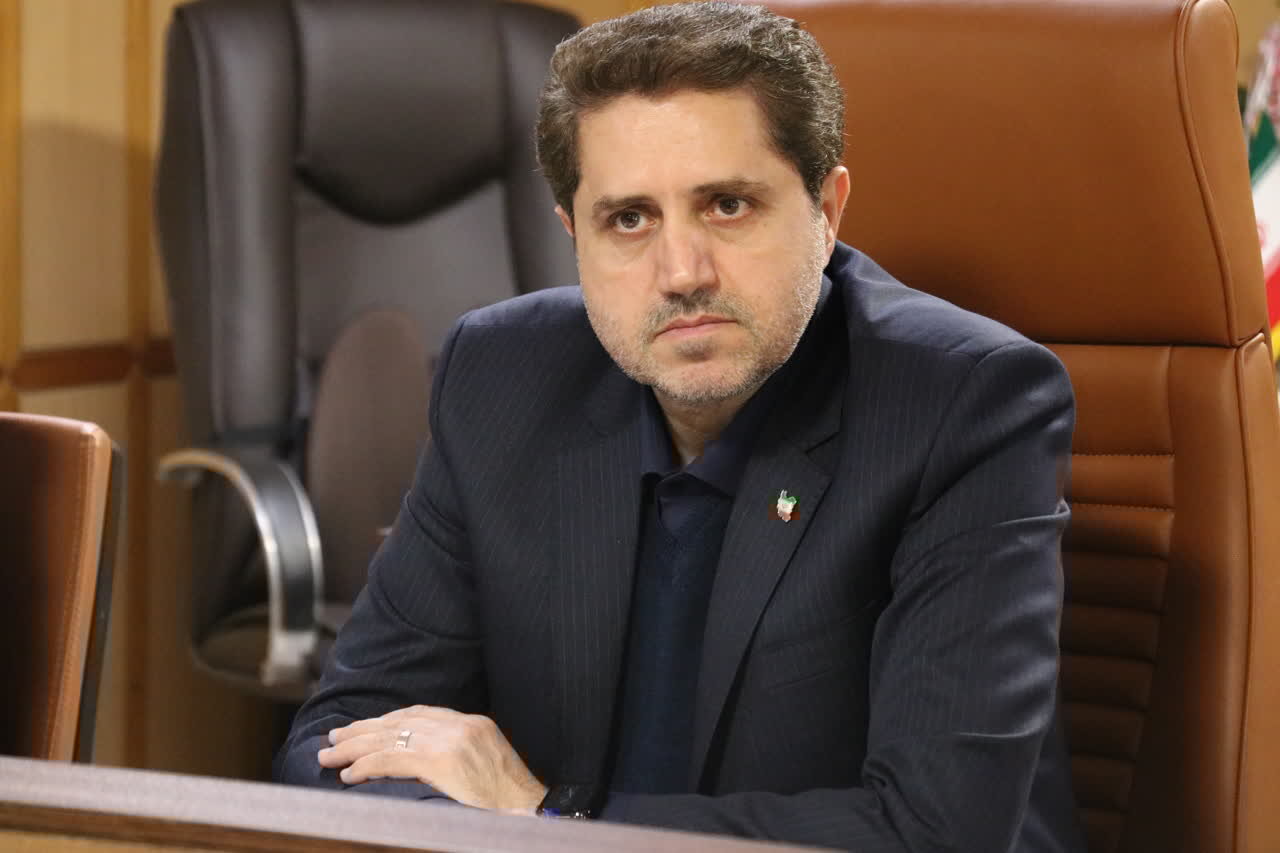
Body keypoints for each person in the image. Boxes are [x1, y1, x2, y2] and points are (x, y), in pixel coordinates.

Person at [275, 3, 1086, 850]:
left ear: (827, 210)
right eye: (629, 219)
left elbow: (933, 832)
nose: (682, 273)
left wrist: (547, 819)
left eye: (727, 205)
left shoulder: (965, 404)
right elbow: (333, 742)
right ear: (574, 237)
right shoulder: (502, 375)